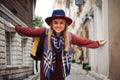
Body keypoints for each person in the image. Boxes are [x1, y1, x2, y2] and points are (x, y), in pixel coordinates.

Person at [7, 9, 106, 80]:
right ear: (51, 24)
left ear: (65, 25)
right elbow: (29, 31)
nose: (58, 25)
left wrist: (97, 43)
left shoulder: (68, 36)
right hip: (46, 72)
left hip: (60, 72)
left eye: (61, 23)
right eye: (56, 22)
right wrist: (15, 28)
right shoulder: (44, 33)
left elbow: (82, 41)